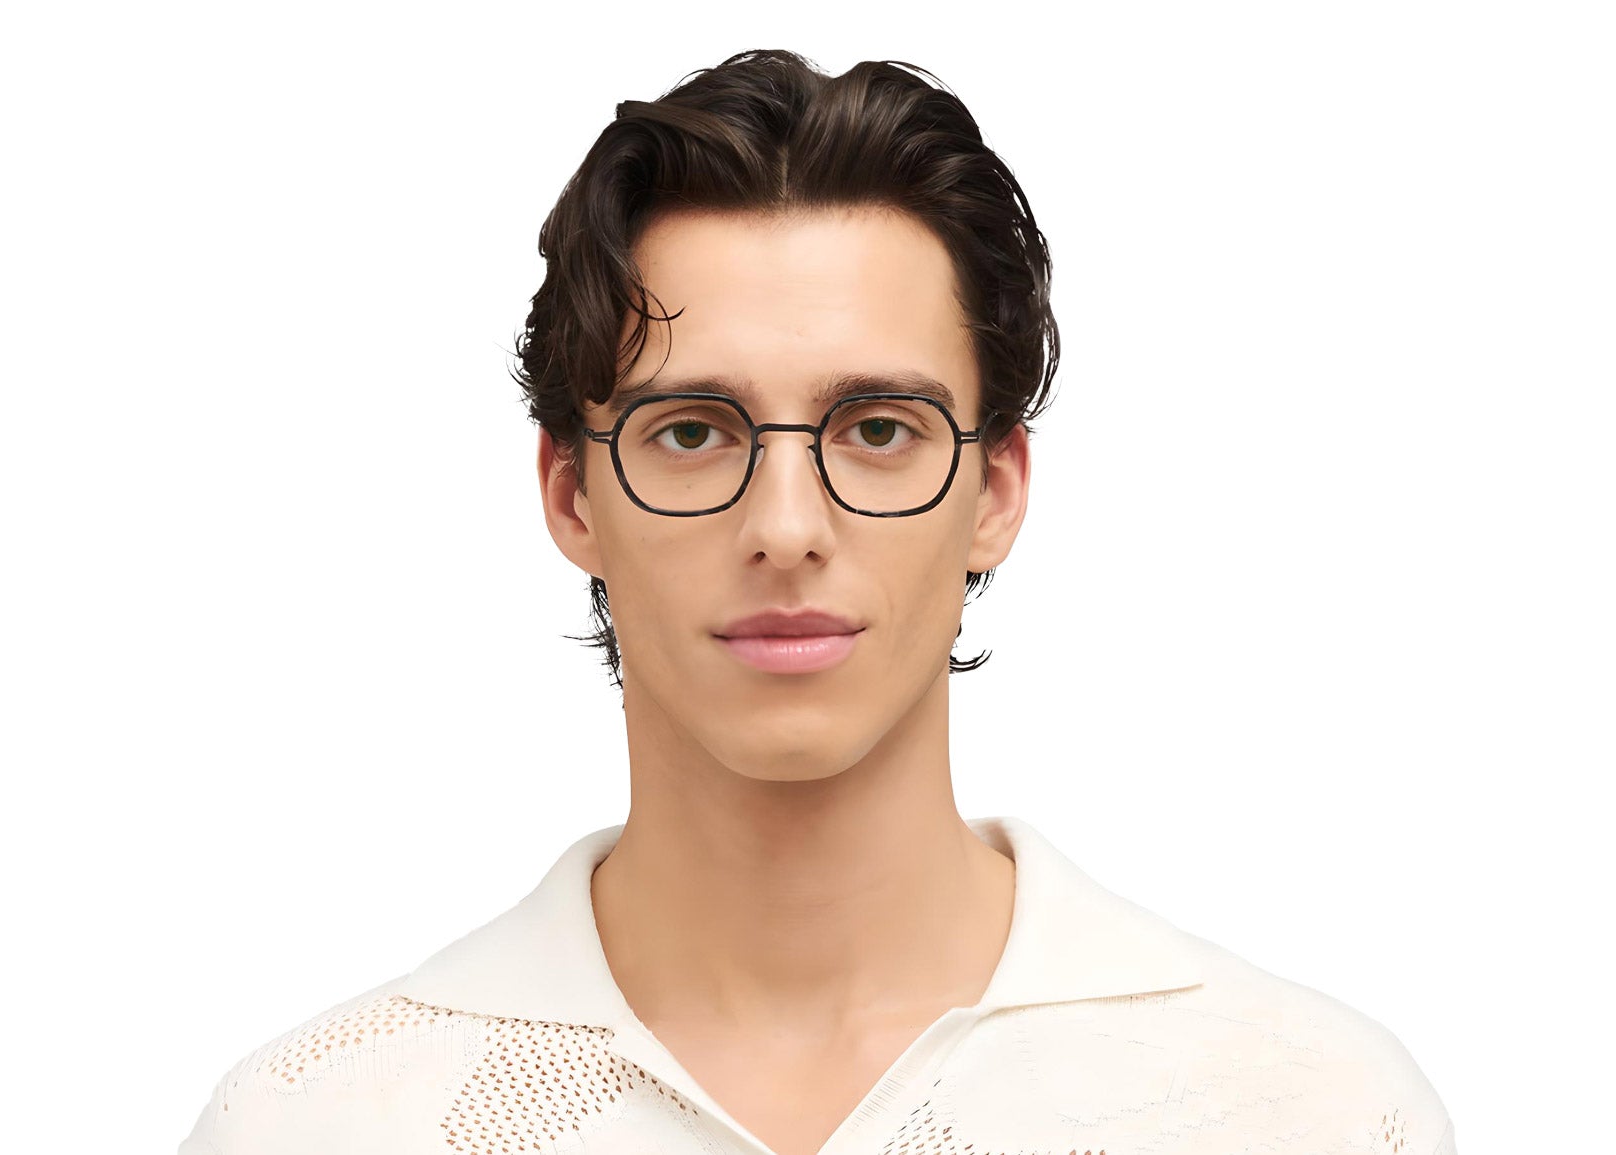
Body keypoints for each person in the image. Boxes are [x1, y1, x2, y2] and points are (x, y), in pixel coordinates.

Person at [178, 48, 1455, 1155]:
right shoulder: (315, 1122)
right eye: (691, 432)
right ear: (571, 495)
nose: (785, 528)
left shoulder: (1311, 1111)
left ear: (996, 489)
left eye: (878, 429)